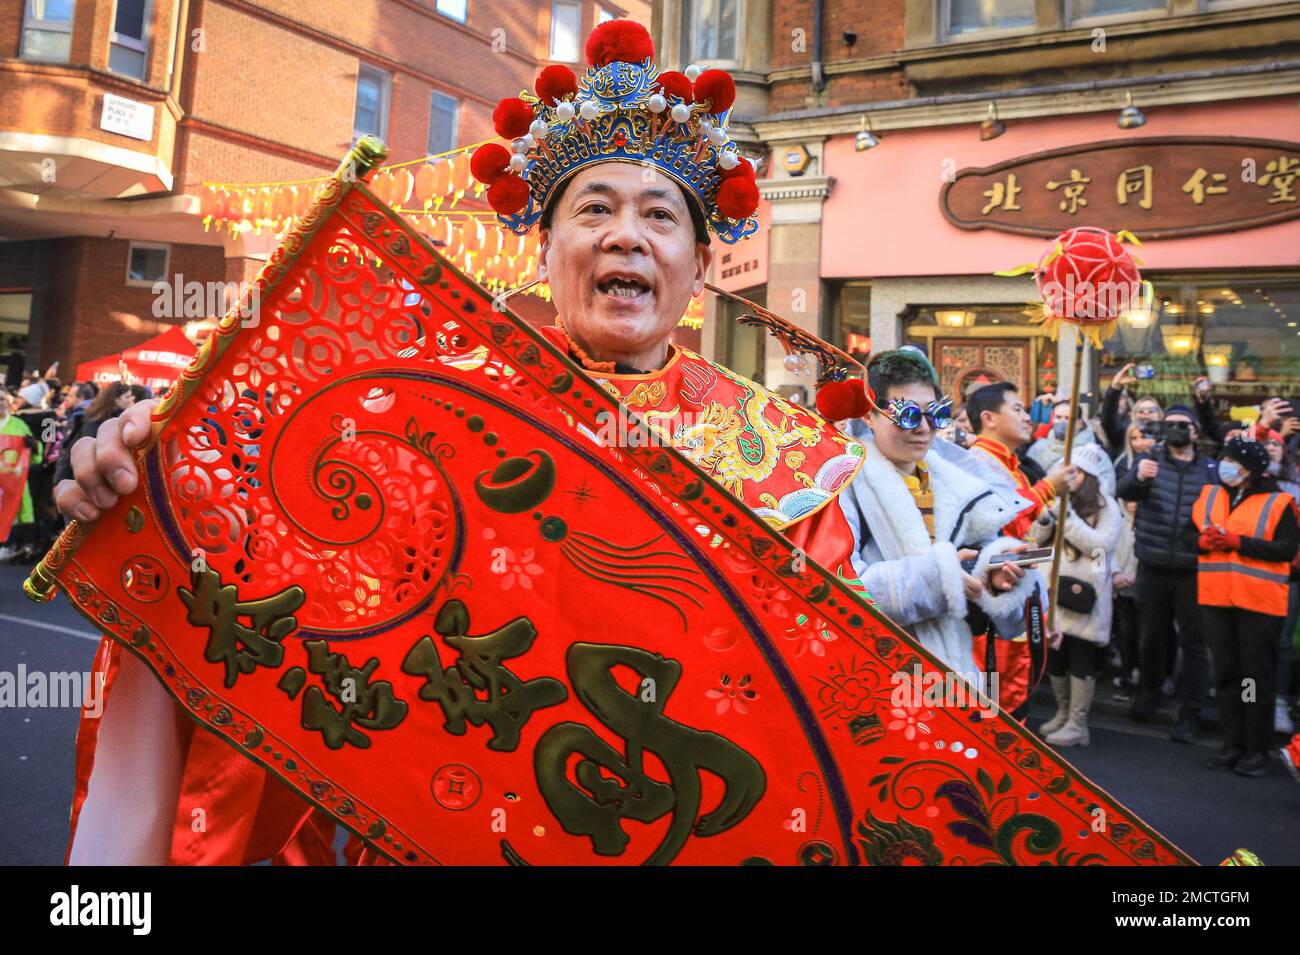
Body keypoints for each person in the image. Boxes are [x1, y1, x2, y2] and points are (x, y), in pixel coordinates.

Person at [52, 20, 868, 866]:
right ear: (545, 248)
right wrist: (151, 488)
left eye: (659, 215)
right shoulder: (420, 411)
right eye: (594, 209)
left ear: (697, 264)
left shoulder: (780, 461)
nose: (626, 235)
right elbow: (282, 598)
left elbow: (832, 719)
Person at [838, 349, 1043, 678]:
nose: (923, 428)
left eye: (935, 413)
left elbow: (977, 557)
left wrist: (995, 573)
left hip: (954, 675)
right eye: (906, 415)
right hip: (875, 675)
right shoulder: (841, 483)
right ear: (868, 415)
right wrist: (940, 579)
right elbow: (838, 590)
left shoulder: (959, 485)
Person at [1192, 437, 1300, 776]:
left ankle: (1256, 748)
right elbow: (1187, 533)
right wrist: (1201, 541)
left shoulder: (1279, 502)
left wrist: (1238, 543)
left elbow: (1285, 549)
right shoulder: (1211, 494)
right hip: (1216, 599)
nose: (1224, 466)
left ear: (1250, 470)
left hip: (1258, 604)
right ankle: (1231, 742)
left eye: (1231, 461)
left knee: (1252, 680)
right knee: (1226, 674)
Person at [1116, 405, 1218, 742]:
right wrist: (1137, 475)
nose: (1176, 430)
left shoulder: (1210, 469)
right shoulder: (1150, 461)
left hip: (1193, 568)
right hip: (1153, 565)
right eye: (1170, 424)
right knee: (1151, 638)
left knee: (1194, 644)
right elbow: (1124, 491)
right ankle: (1149, 692)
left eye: (1183, 425)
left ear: (1195, 432)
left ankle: (1192, 711)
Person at [1032, 443, 1122, 747]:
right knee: (1056, 657)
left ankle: (1077, 722)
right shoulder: (1056, 501)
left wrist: (1066, 518)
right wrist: (1046, 518)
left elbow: (1099, 546)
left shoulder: (1107, 506)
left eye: (1077, 473)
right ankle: (1061, 713)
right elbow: (1035, 541)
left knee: (1081, 658)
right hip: (1054, 590)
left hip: (1085, 595)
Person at [967, 382, 1077, 540]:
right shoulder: (975, 464)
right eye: (1017, 410)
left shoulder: (1014, 465)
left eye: (1025, 411)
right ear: (989, 418)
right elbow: (1000, 523)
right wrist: (1047, 488)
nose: (1027, 418)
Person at [1099, 362, 1163, 458]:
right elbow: (1109, 418)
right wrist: (1115, 388)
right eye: (1140, 411)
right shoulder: (1123, 434)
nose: (1145, 414)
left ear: (1159, 415)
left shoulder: (1168, 437)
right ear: (1133, 415)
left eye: (1151, 411)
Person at [1025, 398, 1099, 475]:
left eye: (1068, 418)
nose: (1062, 421)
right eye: (1058, 417)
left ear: (1079, 423)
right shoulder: (1038, 447)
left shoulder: (1093, 453)